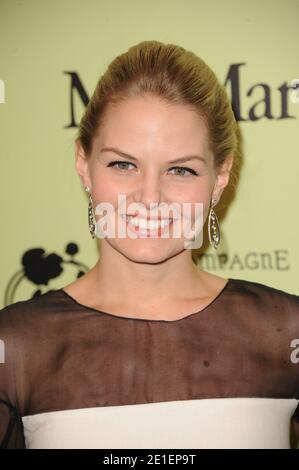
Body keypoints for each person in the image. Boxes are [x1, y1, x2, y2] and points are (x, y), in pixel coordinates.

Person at [0, 40, 299, 449]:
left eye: (181, 169)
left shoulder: (287, 333)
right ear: (83, 165)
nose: (150, 197)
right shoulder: (15, 344)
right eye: (123, 164)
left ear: (221, 177)